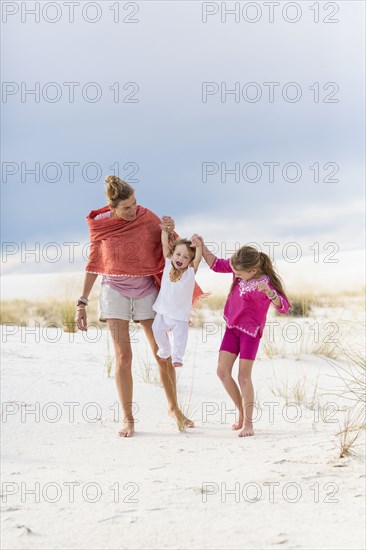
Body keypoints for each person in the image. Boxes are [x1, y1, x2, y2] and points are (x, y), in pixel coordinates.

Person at [75, 175, 204, 438]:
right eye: (126, 208)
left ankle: (173, 408)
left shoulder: (147, 217)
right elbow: (94, 263)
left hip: (146, 290)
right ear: (112, 209)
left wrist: (168, 230)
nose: (133, 210)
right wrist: (82, 301)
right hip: (115, 293)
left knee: (162, 353)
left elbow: (176, 250)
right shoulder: (101, 228)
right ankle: (129, 418)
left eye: (135, 204)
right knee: (124, 358)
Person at [193, 236, 290, 437]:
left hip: (250, 334)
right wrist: (202, 247)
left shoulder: (265, 282)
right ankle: (240, 410)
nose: (235, 275)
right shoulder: (240, 269)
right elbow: (216, 264)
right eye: (234, 271)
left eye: (238, 273)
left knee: (243, 377)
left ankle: (248, 423)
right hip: (232, 328)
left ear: (252, 271)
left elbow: (284, 307)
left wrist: (271, 294)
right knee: (222, 371)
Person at [152, 230, 202, 368]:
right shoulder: (168, 264)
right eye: (178, 254)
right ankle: (165, 349)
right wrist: (163, 231)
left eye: (186, 257)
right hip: (163, 310)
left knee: (180, 337)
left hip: (180, 314)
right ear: (172, 254)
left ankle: (177, 357)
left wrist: (198, 246)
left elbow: (198, 259)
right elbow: (164, 245)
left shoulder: (190, 272)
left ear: (190, 261)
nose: (181, 259)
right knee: (156, 329)